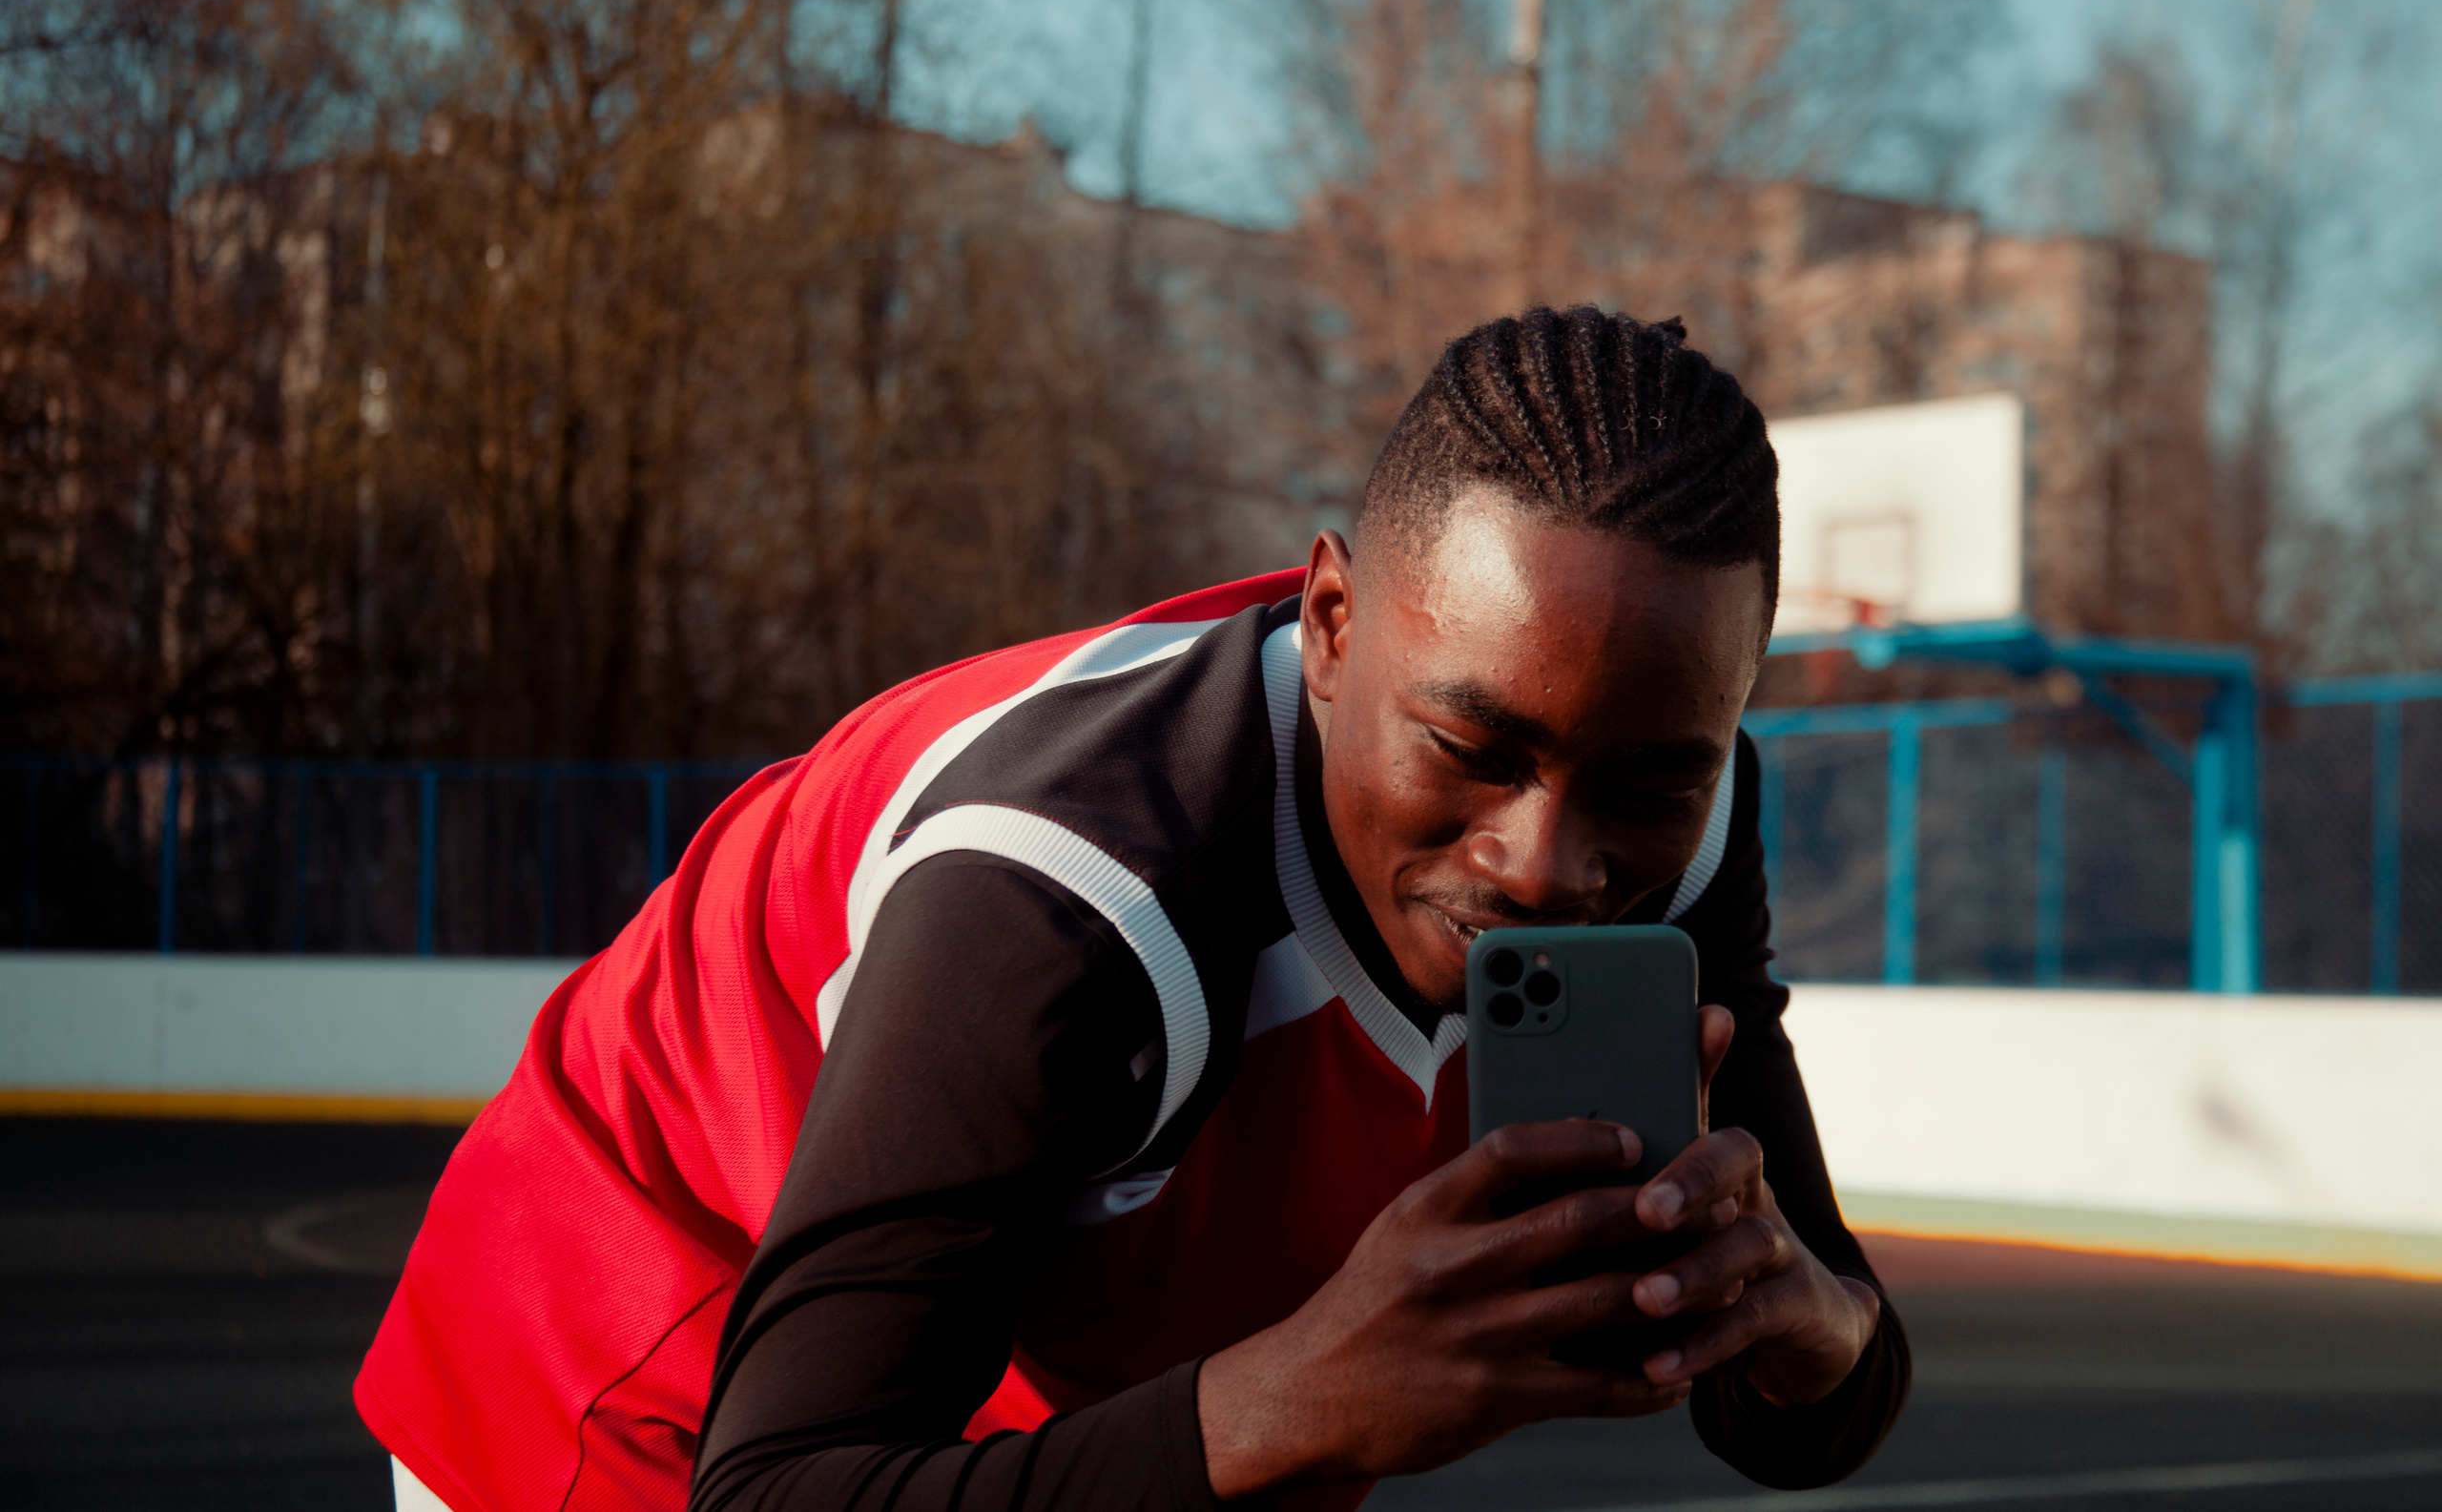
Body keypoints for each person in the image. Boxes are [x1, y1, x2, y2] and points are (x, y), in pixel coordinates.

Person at [360, 308, 1908, 1512]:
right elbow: (783, 1486)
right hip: (633, 1365)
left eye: (1653, 778)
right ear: (1330, 624)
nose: (1549, 866)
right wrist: (1308, 1391)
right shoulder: (1068, 899)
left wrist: (1806, 1328)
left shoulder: (1685, 836)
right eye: (1471, 748)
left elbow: (1807, 1410)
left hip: (1038, 1379)